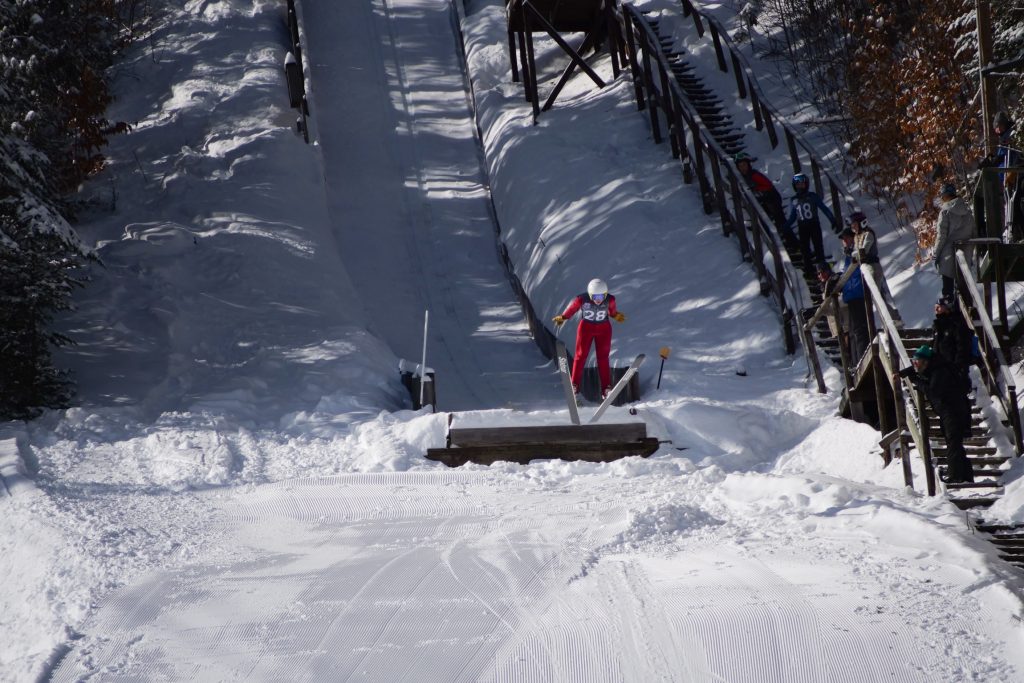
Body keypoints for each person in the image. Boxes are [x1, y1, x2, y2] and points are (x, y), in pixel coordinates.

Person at [897, 345, 974, 484]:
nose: (915, 364)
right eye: (913, 361)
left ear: (926, 361)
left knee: (953, 442)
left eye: (917, 361)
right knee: (954, 442)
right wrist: (902, 373)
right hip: (950, 410)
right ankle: (966, 475)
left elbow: (933, 392)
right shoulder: (935, 366)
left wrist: (917, 382)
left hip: (954, 410)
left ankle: (955, 476)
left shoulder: (940, 372)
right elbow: (916, 370)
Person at [552, 278, 626, 400]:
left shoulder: (610, 299)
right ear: (590, 295)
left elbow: (612, 311)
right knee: (580, 356)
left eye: (602, 296)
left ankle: (606, 388)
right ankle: (574, 384)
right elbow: (572, 309)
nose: (599, 300)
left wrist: (616, 315)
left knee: (603, 357)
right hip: (586, 328)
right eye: (595, 297)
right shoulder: (582, 299)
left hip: (604, 329)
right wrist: (563, 317)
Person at [848, 211, 901, 325]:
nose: (853, 227)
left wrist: (852, 253)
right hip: (866, 268)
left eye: (855, 224)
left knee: (876, 296)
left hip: (873, 267)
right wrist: (853, 253)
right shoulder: (857, 236)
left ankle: (893, 318)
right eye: (852, 225)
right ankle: (890, 319)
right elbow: (856, 253)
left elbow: (864, 251)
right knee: (876, 297)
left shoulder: (868, 234)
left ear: (861, 223)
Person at [784, 172, 835, 272]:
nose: (800, 186)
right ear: (794, 186)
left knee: (818, 247)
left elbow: (824, 209)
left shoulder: (812, 196)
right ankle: (809, 270)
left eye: (802, 184)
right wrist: (786, 226)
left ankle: (823, 269)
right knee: (804, 249)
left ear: (806, 184)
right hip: (802, 226)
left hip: (814, 224)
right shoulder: (794, 200)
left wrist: (832, 220)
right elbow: (793, 216)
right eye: (797, 184)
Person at [933, 183, 975, 300]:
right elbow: (973, 232)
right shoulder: (967, 212)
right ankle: (967, 309)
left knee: (948, 290)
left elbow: (942, 236)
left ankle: (949, 309)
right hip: (965, 254)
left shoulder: (945, 212)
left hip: (948, 256)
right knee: (964, 289)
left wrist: (936, 254)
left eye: (942, 196)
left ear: (945, 196)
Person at [837, 228, 869, 363]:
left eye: (846, 238)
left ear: (852, 238)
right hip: (850, 296)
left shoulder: (856, 251)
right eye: (843, 239)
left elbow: (857, 271)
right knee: (853, 332)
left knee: (860, 330)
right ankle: (857, 361)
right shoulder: (846, 256)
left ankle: (862, 359)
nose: (844, 241)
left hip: (858, 293)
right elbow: (844, 274)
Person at [931, 295, 973, 393]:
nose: (936, 308)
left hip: (955, 369)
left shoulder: (956, 324)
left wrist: (958, 366)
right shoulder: (937, 326)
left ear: (948, 308)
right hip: (941, 369)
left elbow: (963, 347)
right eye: (935, 306)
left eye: (939, 306)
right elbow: (936, 346)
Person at [734, 152, 785, 229]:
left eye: (744, 165)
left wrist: (756, 188)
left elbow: (768, 185)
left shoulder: (754, 175)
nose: (742, 168)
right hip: (763, 201)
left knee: (781, 223)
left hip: (772, 199)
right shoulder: (743, 178)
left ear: (748, 164)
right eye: (740, 166)